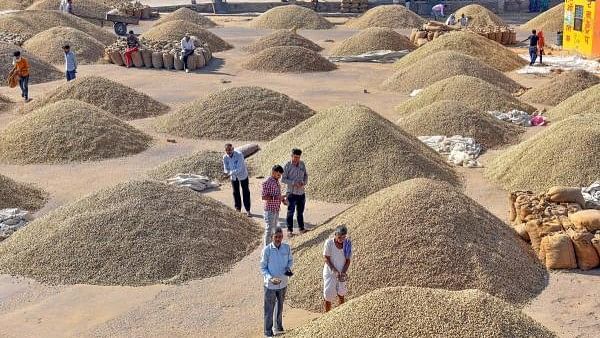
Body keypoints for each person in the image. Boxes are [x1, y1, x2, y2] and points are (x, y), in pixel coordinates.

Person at [260, 226, 293, 338]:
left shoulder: (287, 248)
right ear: (271, 237)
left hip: (283, 283)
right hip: (270, 285)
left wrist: (288, 268)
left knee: (280, 307)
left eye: (280, 237)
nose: (278, 239)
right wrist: (270, 278)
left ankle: (278, 327)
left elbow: (290, 261)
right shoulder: (266, 250)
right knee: (269, 309)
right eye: (276, 237)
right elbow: (263, 268)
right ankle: (268, 332)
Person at [323, 225, 352, 312]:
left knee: (341, 293)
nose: (341, 239)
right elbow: (326, 258)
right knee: (328, 295)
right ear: (335, 235)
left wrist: (343, 272)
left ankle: (341, 313)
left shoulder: (347, 244)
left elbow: (348, 260)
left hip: (341, 272)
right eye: (339, 237)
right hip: (330, 273)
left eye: (343, 237)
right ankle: (326, 314)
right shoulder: (329, 243)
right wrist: (334, 270)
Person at [282, 148, 308, 237]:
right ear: (292, 156)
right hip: (291, 193)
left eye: (298, 157)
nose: (297, 159)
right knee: (290, 212)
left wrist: (304, 183)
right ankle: (289, 230)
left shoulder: (302, 164)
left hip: (301, 193)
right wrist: (293, 183)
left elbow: (305, 175)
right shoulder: (287, 165)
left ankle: (301, 228)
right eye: (295, 157)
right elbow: (283, 179)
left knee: (300, 212)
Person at [223, 143, 251, 216]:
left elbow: (239, 168)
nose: (228, 152)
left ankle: (248, 210)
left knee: (245, 192)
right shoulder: (225, 157)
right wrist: (226, 172)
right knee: (235, 192)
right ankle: (238, 209)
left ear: (233, 149)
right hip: (233, 177)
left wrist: (229, 173)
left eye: (229, 150)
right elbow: (226, 168)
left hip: (242, 175)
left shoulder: (239, 155)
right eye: (227, 150)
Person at [262, 165, 286, 246]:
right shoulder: (267, 182)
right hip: (270, 209)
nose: (279, 177)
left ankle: (272, 245)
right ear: (273, 172)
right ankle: (266, 248)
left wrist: (282, 200)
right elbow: (264, 197)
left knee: (274, 229)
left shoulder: (276, 181)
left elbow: (278, 194)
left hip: (276, 209)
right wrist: (277, 197)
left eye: (280, 175)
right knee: (269, 229)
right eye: (278, 175)